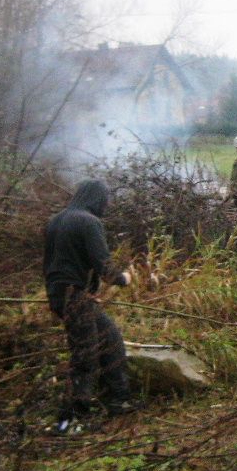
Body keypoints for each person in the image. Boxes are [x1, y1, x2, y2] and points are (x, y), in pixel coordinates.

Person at [43, 179, 136, 433]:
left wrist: (72, 295)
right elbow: (103, 265)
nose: (108, 204)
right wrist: (123, 278)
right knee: (85, 358)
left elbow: (52, 264)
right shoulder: (89, 222)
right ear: (97, 198)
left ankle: (119, 400)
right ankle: (69, 420)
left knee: (111, 339)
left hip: (64, 296)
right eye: (107, 199)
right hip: (76, 298)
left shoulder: (57, 220)